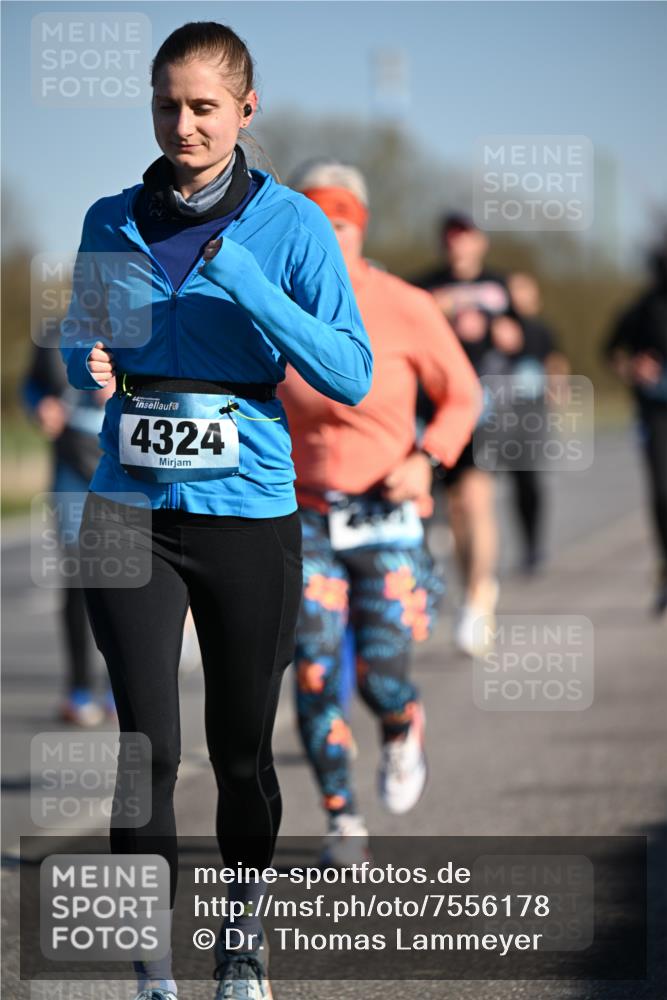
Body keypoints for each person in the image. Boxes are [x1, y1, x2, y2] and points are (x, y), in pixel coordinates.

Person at [60, 22, 372, 1000]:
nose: (183, 124)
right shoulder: (110, 218)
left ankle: (240, 939)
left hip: (248, 511)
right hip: (128, 506)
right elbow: (85, 344)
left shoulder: (292, 228)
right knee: (145, 743)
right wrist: (92, 361)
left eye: (203, 106)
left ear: (245, 109)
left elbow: (350, 372)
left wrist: (250, 288)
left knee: (240, 750)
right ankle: (152, 965)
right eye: (167, 105)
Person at [280, 162, 481, 864]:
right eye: (307, 221)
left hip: (385, 512)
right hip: (301, 517)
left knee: (380, 676)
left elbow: (462, 394)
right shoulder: (270, 302)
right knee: (310, 667)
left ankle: (400, 724)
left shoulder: (402, 305)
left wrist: (426, 458)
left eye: (335, 222)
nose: (321, 236)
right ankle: (341, 813)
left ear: (357, 228)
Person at [415, 213, 522, 654]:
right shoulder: (424, 285)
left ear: (480, 243)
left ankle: (478, 599)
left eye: (466, 239)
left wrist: (509, 334)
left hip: (487, 406)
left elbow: (524, 340)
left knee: (478, 500)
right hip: (441, 409)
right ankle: (473, 591)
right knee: (456, 508)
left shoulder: (500, 287)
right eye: (451, 239)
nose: (459, 247)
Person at [23, 342, 115, 725]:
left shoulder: (139, 319)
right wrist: (39, 405)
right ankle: (78, 688)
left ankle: (120, 685)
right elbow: (30, 384)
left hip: (120, 464)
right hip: (71, 465)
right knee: (78, 576)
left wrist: (123, 388)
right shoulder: (53, 332)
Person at [605, 238, 667, 615]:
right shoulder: (642, 308)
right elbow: (610, 351)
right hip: (655, 412)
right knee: (662, 492)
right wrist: (631, 369)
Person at [506, 272, 570, 572]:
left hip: (533, 413)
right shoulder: (500, 329)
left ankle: (534, 545)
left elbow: (556, 362)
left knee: (530, 480)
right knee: (509, 482)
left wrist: (559, 385)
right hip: (502, 414)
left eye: (524, 290)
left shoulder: (543, 331)